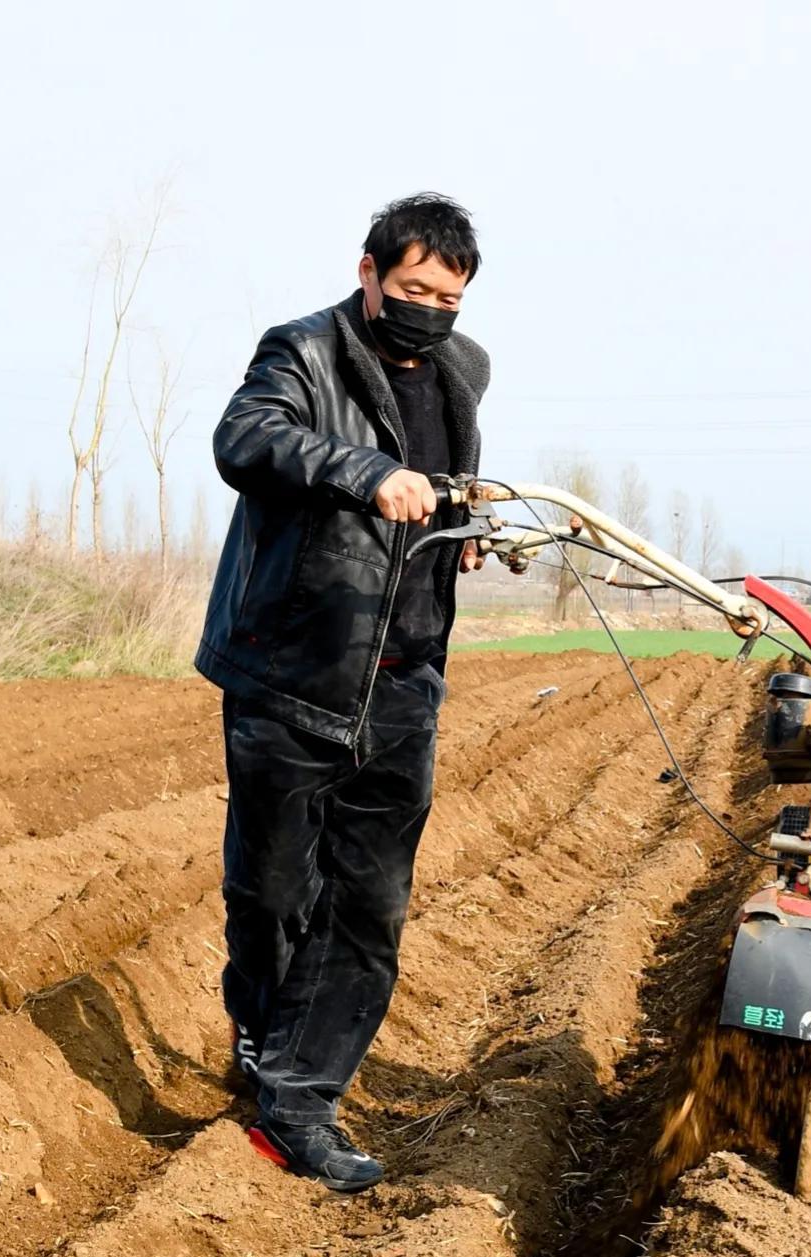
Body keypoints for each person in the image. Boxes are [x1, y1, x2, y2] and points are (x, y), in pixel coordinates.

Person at [198, 194, 507, 1193]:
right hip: (294, 669)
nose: (428, 309)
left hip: (405, 678)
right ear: (368, 272)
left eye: (447, 296)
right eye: (411, 288)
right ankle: (262, 1030)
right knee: (274, 893)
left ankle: (298, 1101)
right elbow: (244, 443)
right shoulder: (300, 352)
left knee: (369, 908)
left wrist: (468, 521)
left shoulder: (465, 372)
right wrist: (364, 471)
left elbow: (442, 488)